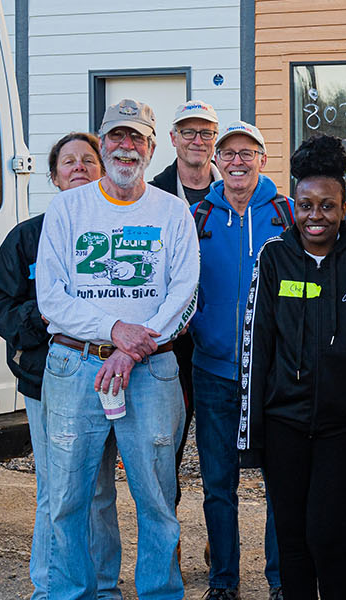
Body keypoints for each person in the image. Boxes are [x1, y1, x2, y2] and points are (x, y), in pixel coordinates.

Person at [34, 98, 199, 600]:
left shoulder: (172, 211)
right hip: (74, 364)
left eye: (137, 138)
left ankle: (158, 593)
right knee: (67, 497)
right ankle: (70, 593)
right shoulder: (66, 209)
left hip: (151, 369)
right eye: (116, 137)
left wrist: (131, 347)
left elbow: (184, 291)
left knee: (155, 496)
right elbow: (51, 296)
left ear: (151, 147)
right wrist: (113, 328)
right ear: (101, 144)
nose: (126, 147)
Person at [237, 134, 346, 600]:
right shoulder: (274, 257)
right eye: (306, 205)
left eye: (327, 205)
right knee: (292, 539)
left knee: (330, 536)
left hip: (338, 430)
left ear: (345, 208)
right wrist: (251, 435)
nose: (315, 216)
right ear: (293, 206)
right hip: (284, 423)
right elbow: (255, 346)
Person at [0, 132, 122, 599]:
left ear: (103, 171)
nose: (79, 167)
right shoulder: (28, 237)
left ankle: (102, 587)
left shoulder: (119, 233)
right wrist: (38, 318)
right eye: (69, 162)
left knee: (101, 492)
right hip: (46, 382)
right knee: (55, 491)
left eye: (88, 160)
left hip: (110, 378)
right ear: (54, 176)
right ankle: (50, 587)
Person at [190, 119, 290, 600]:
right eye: (228, 153)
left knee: (280, 486)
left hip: (273, 375)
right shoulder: (197, 217)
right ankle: (223, 582)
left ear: (262, 160)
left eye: (246, 152)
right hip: (213, 371)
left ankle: (279, 581)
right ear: (217, 161)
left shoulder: (287, 214)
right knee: (217, 484)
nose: (236, 160)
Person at [148, 99, 224, 536]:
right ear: (172, 138)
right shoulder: (151, 194)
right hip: (166, 348)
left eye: (206, 133)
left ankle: (220, 547)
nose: (197, 141)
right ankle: (168, 542)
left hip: (216, 346)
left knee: (218, 459)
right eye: (188, 132)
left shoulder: (235, 193)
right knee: (165, 451)